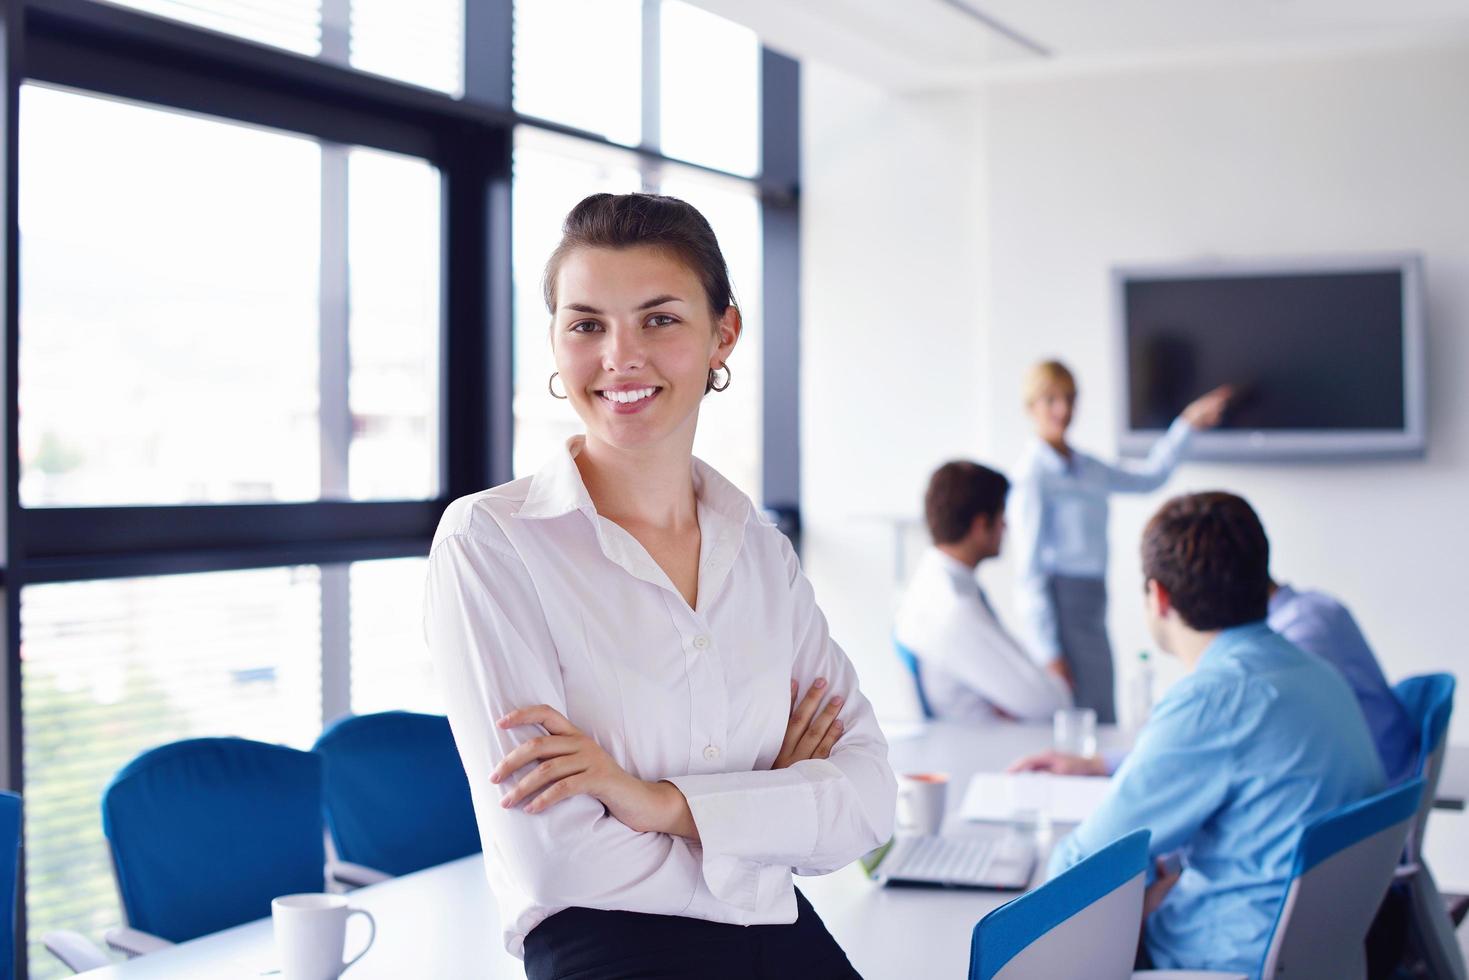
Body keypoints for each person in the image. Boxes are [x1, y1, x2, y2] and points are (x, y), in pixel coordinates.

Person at [424, 193, 895, 979]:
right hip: (613, 950)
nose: (619, 356)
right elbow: (553, 860)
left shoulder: (759, 555)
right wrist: (763, 808)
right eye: (585, 325)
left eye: (659, 319)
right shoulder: (493, 543)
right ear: (554, 341)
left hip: (779, 933)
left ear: (724, 334)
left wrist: (659, 803)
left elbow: (869, 802)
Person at [1043, 492, 1383, 977]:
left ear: (1158, 597)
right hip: (1316, 957)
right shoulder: (1317, 673)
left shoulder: (1216, 698)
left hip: (1222, 963)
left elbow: (1081, 869)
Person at [1011, 576, 1418, 785]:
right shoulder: (1314, 612)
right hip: (1360, 853)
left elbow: (1203, 754)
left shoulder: (1282, 658)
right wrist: (1099, 764)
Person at [1010, 359, 1231, 722]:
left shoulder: (1087, 467)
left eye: (1068, 398)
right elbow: (1029, 572)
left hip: (1093, 603)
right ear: (1031, 407)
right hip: (1061, 606)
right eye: (1050, 400)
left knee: (1101, 710)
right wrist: (1048, 650)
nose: (1062, 410)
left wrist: (1187, 425)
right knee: (1076, 716)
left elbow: (1150, 478)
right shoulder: (1033, 476)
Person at [893, 460, 1071, 721]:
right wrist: (1054, 679)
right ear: (980, 525)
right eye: (1002, 517)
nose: (1006, 528)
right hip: (980, 750)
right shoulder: (953, 606)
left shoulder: (936, 583)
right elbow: (1051, 705)